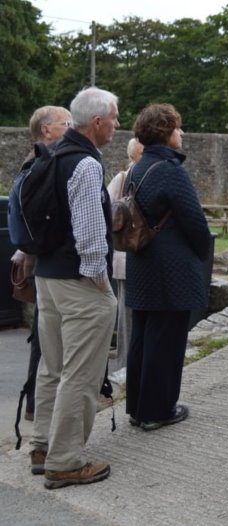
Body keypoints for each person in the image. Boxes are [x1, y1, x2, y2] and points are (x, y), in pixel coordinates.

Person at [30, 88, 119, 489]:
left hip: (47, 276)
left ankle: (42, 446)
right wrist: (99, 278)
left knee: (52, 367)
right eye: (115, 118)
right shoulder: (84, 163)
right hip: (78, 281)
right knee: (80, 374)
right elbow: (89, 233)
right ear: (97, 122)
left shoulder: (51, 155)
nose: (118, 124)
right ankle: (64, 461)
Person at [125, 103, 210, 432]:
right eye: (177, 128)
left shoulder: (138, 167)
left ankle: (138, 407)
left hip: (142, 267)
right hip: (170, 271)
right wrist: (203, 254)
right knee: (167, 344)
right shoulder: (171, 170)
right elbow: (195, 223)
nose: (182, 133)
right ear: (164, 132)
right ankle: (158, 411)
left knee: (143, 340)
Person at [12, 105, 72, 422]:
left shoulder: (33, 164)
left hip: (38, 262)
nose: (71, 128)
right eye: (66, 123)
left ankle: (38, 406)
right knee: (46, 340)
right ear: (46, 130)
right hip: (46, 264)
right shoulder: (42, 165)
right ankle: (39, 407)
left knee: (44, 337)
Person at [106, 138, 144, 374]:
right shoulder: (121, 179)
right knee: (126, 318)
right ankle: (125, 369)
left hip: (142, 257)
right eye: (141, 154)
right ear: (132, 156)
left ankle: (134, 367)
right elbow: (107, 212)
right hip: (125, 259)